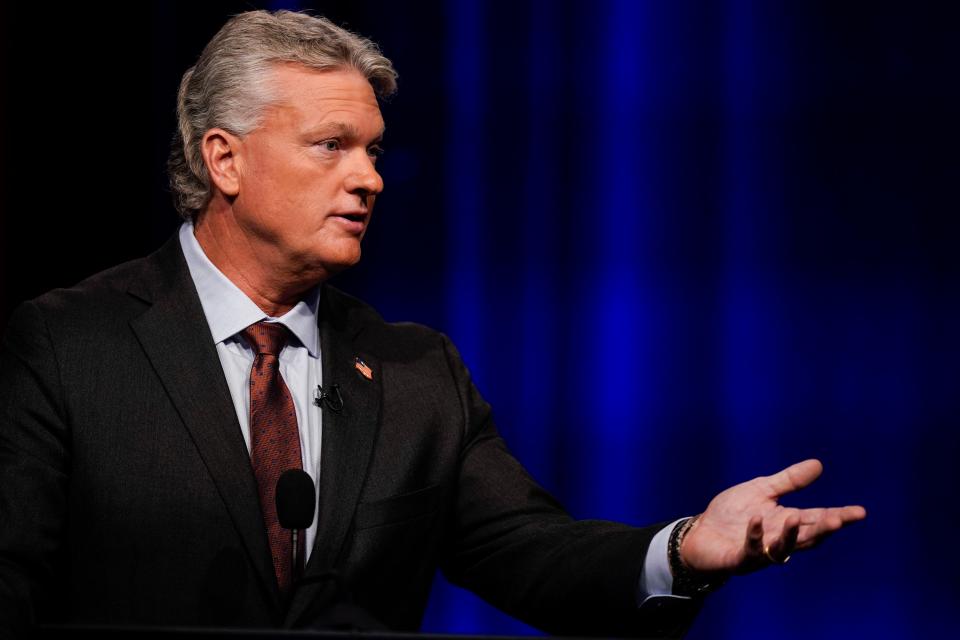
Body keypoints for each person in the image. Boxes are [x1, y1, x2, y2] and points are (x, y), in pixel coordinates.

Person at [0, 10, 865, 638]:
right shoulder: (70, 345)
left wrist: (679, 552)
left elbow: (526, 552)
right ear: (224, 158)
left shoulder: (415, 371)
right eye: (331, 145)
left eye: (374, 150)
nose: (370, 178)